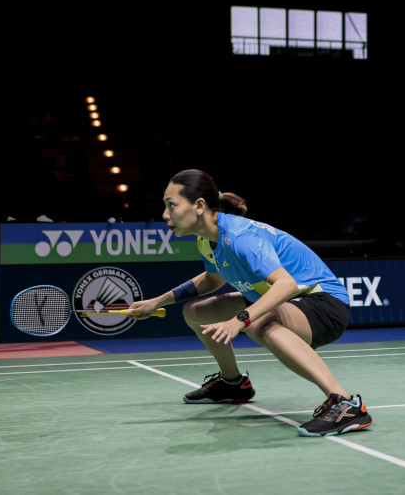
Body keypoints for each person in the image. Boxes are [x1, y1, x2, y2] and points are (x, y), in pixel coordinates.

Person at [128, 169, 373, 436]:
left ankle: (344, 403)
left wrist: (241, 319)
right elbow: (212, 280)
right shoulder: (207, 240)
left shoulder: (241, 238)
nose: (165, 215)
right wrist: (157, 301)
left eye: (171, 205)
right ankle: (232, 384)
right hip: (288, 302)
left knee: (259, 323)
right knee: (197, 312)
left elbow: (286, 284)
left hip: (323, 303)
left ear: (198, 206)